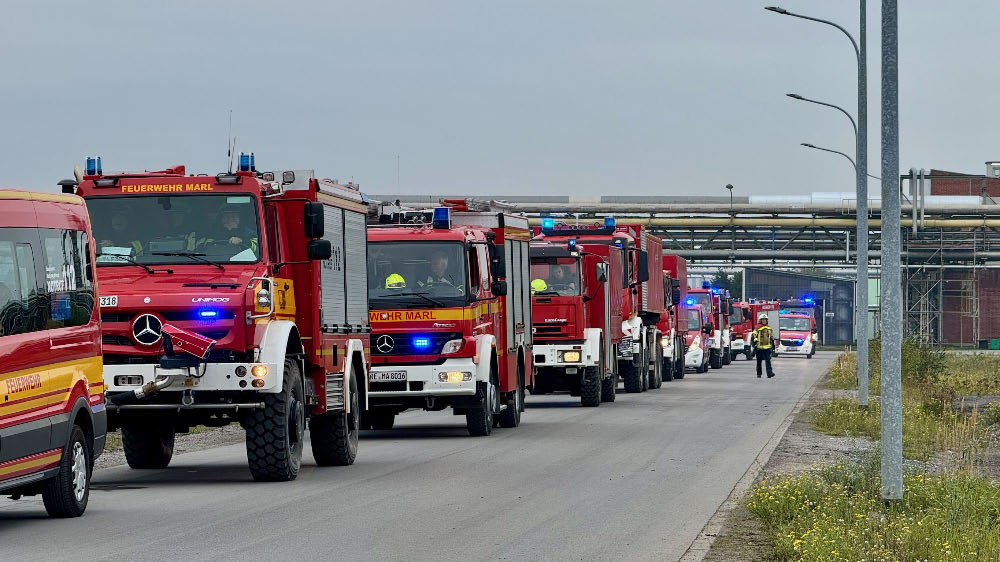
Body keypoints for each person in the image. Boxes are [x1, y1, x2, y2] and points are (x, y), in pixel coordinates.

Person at [751, 314, 775, 379]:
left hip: (767, 347)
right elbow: (753, 335)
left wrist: (773, 347)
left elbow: (771, 337)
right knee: (759, 361)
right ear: (760, 320)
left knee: (768, 361)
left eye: (765, 320)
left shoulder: (769, 328)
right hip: (759, 347)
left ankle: (769, 373)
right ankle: (759, 374)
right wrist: (755, 342)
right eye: (763, 320)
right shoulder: (757, 328)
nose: (764, 321)